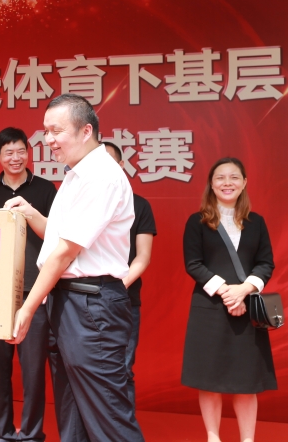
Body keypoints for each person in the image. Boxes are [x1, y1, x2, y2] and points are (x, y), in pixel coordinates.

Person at [6, 94, 144, 442]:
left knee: (108, 419)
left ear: (86, 131)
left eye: (57, 131)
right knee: (73, 413)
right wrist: (32, 214)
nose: (48, 139)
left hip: (91, 307)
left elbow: (65, 252)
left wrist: (27, 307)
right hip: (69, 302)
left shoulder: (101, 177)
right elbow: (60, 238)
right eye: (46, 132)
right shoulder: (76, 176)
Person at [181, 157, 275, 442]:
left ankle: (247, 439)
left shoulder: (256, 223)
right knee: (209, 380)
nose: (227, 183)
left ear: (244, 183)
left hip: (247, 310)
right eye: (220, 177)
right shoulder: (197, 222)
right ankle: (213, 437)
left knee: (247, 382)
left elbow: (265, 263)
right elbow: (193, 264)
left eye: (234, 177)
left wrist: (243, 290)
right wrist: (227, 291)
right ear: (211, 184)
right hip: (209, 309)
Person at [0, 127, 56, 442]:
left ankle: (32, 433)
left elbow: (56, 237)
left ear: (28, 152)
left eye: (21, 151)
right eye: (8, 152)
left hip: (35, 290)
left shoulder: (46, 189)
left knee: (33, 368)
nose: (15, 157)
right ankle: (3, 432)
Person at [103, 142, 156, 408]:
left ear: (122, 166)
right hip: (83, 299)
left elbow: (142, 256)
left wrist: (116, 286)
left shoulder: (139, 205)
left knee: (122, 368)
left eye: (108, 162)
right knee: (87, 370)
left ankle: (121, 426)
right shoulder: (81, 201)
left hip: (124, 299)